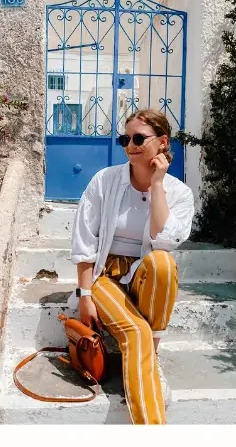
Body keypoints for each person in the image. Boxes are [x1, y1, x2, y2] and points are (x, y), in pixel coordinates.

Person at [70, 109, 194, 425]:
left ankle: (148, 360)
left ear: (162, 142)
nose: (130, 145)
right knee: (136, 330)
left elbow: (164, 241)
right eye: (126, 138)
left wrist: (156, 185)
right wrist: (85, 295)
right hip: (103, 275)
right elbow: (84, 242)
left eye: (139, 138)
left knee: (163, 263)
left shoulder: (179, 193)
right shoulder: (105, 181)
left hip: (144, 276)